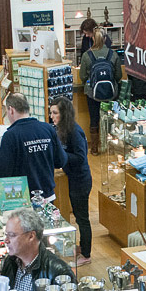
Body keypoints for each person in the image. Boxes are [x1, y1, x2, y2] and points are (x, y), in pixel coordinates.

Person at [0, 93, 66, 200]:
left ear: (11, 110)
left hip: (21, 199)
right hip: (47, 196)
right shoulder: (47, 129)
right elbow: (60, 161)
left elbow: (2, 173)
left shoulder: (10, 136)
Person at [50, 97, 92, 267]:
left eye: (55, 113)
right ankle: (82, 247)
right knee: (78, 215)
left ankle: (87, 254)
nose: (52, 116)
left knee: (82, 218)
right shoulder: (62, 129)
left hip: (80, 181)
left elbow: (81, 157)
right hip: (73, 179)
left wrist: (62, 158)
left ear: (64, 113)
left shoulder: (74, 131)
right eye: (51, 113)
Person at [2, 208, 75, 291]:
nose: (6, 240)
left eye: (11, 235)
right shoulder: (10, 262)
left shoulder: (59, 271)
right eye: (6, 235)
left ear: (31, 236)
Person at [79, 29, 121, 155]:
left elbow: (82, 76)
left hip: (93, 94)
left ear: (93, 39)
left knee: (94, 118)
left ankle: (95, 148)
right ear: (104, 39)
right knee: (110, 118)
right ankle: (111, 147)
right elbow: (118, 76)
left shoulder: (87, 55)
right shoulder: (113, 54)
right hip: (110, 93)